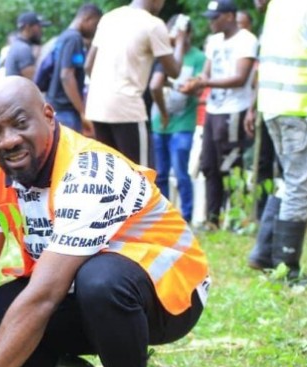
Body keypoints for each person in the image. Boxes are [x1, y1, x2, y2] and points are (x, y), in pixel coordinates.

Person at [0, 77, 210, 367]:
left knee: (100, 281)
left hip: (168, 298)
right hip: (74, 292)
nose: (8, 141)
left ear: (48, 114)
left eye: (19, 124)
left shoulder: (88, 171)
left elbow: (44, 295)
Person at [246, 0, 307, 283]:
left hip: (276, 105)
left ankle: (263, 251)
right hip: (300, 106)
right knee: (300, 185)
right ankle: (286, 267)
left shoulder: (279, 6)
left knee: (291, 178)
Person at [182, 0, 258, 229]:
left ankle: (235, 219)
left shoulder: (247, 40)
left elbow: (240, 78)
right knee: (208, 165)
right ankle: (212, 219)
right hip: (213, 110)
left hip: (234, 109)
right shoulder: (213, 41)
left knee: (232, 165)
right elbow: (206, 72)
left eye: (214, 18)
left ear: (229, 16)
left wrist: (205, 82)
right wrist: (194, 83)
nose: (210, 22)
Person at [85, 0, 188, 166]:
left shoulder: (109, 18)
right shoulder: (153, 25)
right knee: (141, 177)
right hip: (127, 108)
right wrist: (181, 41)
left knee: (109, 174)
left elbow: (88, 65)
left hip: (97, 106)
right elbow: (174, 71)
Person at [149, 16, 206, 222]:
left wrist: (192, 87)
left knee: (181, 171)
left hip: (183, 122)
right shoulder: (161, 54)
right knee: (160, 173)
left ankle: (187, 217)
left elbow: (199, 87)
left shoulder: (198, 57)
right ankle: (163, 219)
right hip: (159, 122)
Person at [45, 3, 102, 135]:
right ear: (87, 18)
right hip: (66, 110)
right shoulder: (74, 38)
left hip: (56, 105)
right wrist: (82, 111)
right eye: (95, 25)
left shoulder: (63, 37)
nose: (95, 30)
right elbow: (66, 76)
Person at [6, 12, 51, 80]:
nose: (41, 30)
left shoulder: (17, 45)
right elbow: (34, 80)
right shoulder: (23, 49)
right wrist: (39, 58)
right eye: (39, 26)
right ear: (27, 27)